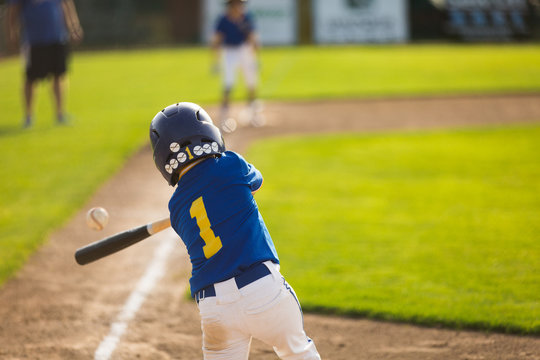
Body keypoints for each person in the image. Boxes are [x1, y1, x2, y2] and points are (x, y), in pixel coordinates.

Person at [149, 102, 321, 360]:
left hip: (214, 308)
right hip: (264, 292)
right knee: (299, 353)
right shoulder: (231, 165)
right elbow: (255, 183)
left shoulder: (176, 207)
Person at [7, 0, 83, 128]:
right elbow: (13, 11)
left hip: (57, 37)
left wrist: (74, 27)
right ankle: (28, 117)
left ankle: (60, 114)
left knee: (59, 74)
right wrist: (12, 33)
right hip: (33, 40)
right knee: (30, 78)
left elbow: (67, 4)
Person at [211, 0, 263, 133]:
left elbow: (252, 36)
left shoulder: (246, 17)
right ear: (230, 6)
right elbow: (217, 39)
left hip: (244, 50)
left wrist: (256, 53)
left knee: (251, 82)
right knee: (228, 83)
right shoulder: (223, 19)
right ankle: (224, 117)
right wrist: (215, 61)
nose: (239, 7)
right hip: (229, 51)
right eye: (237, 4)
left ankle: (253, 114)